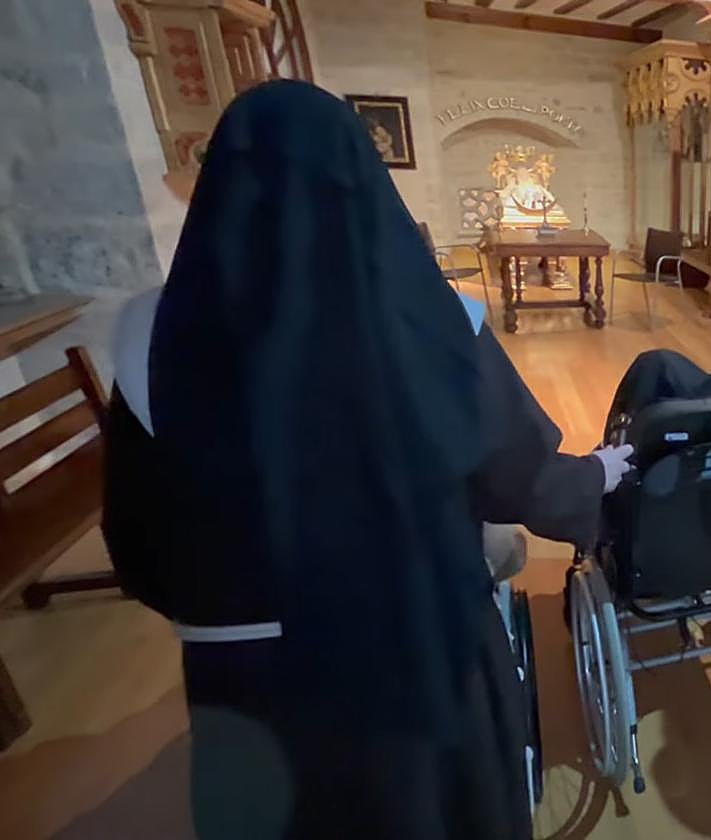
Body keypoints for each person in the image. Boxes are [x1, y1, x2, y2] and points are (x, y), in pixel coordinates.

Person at [102, 80, 632, 840]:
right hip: (421, 648)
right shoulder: (438, 321)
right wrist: (598, 475)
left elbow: (141, 548)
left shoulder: (147, 335)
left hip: (246, 684)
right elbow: (520, 480)